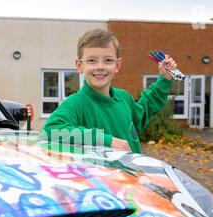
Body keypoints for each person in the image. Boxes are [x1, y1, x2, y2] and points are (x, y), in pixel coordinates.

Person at [41, 28, 177, 153]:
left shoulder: (124, 98)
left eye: (108, 60)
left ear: (117, 65)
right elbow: (50, 130)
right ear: (79, 65)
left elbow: (143, 110)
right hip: (101, 179)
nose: (100, 67)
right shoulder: (76, 103)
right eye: (92, 60)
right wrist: (107, 140)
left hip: (132, 177)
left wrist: (164, 80)